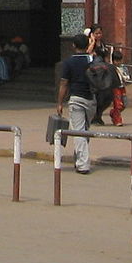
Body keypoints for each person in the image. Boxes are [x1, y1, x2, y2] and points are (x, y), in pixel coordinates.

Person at [57, 32, 95, 173]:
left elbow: (63, 83)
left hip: (76, 99)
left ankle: (83, 165)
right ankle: (79, 158)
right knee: (84, 130)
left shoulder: (69, 62)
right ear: (87, 45)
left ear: (73, 45)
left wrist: (60, 103)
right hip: (92, 100)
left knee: (79, 132)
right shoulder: (92, 59)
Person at [109, 48, 129, 126]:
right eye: (116, 61)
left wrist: (125, 77)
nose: (118, 62)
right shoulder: (111, 68)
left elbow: (127, 76)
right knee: (118, 104)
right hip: (115, 88)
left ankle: (113, 113)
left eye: (120, 60)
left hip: (122, 87)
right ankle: (117, 120)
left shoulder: (123, 68)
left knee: (124, 104)